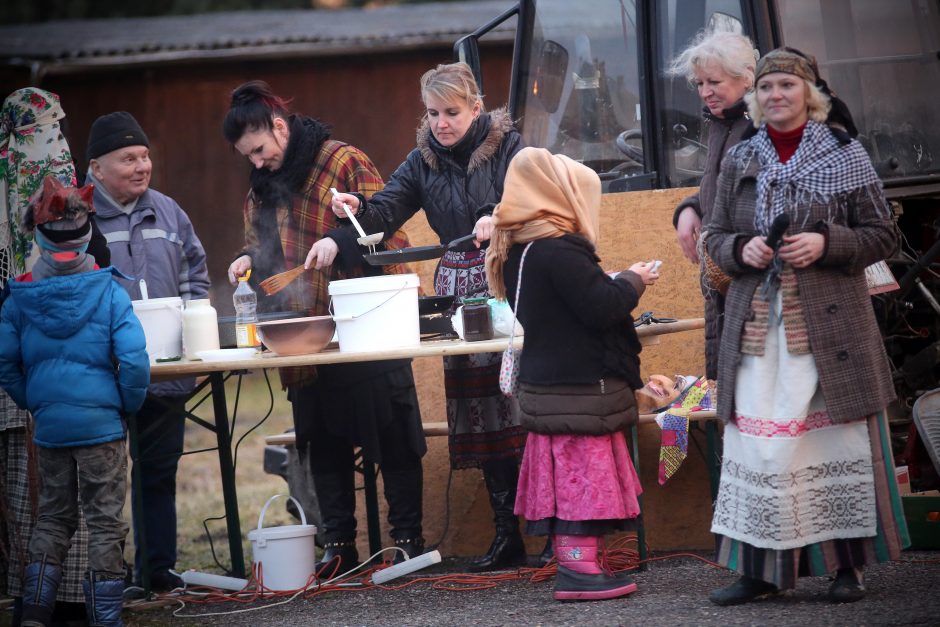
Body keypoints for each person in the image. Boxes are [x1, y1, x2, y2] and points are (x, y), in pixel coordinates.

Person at [704, 47, 910, 606]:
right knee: (758, 450)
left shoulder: (847, 155)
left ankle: (848, 568)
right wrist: (737, 249)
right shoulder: (740, 158)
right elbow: (713, 236)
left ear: (809, 94)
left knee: (832, 443)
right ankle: (759, 571)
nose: (776, 96)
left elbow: (882, 235)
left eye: (787, 87)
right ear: (756, 97)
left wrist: (827, 242)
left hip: (830, 330)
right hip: (756, 329)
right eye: (766, 87)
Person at [330, 62, 537, 570]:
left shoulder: (513, 147)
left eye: (451, 112)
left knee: (524, 403)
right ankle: (507, 530)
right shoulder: (421, 159)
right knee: (483, 412)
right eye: (433, 113)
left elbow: (540, 198)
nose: (441, 123)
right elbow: (384, 212)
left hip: (508, 280)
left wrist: (502, 215)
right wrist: (358, 207)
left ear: (474, 106)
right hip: (456, 291)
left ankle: (551, 527)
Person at [223, 81, 426, 570]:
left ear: (278, 127)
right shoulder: (261, 184)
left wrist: (342, 239)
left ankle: (407, 541)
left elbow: (387, 227)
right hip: (303, 331)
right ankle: (339, 546)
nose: (256, 162)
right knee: (322, 439)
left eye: (259, 150)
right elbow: (263, 244)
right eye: (246, 156)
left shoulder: (343, 161)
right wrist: (246, 258)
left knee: (394, 437)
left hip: (365, 321)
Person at [485, 146, 658, 600]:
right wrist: (633, 280)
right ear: (560, 196)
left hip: (550, 388)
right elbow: (602, 308)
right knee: (583, 483)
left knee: (568, 484)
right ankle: (580, 574)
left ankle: (578, 567)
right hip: (579, 389)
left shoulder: (523, 248)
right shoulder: (558, 250)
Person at [0, 176, 149, 626]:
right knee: (105, 522)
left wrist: (37, 404)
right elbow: (135, 361)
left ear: (40, 237)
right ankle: (106, 619)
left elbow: (7, 365)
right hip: (102, 425)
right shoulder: (108, 291)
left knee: (51, 520)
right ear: (88, 236)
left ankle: (33, 616)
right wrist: (125, 404)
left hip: (50, 428)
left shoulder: (18, 297)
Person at [85, 111, 211, 592]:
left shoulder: (169, 212)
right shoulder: (78, 216)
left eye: (144, 157)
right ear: (96, 168)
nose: (141, 166)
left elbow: (195, 278)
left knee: (158, 474)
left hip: (164, 373)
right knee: (101, 481)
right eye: (128, 159)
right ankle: (103, 578)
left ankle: (157, 572)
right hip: (103, 374)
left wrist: (195, 348)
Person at [0, 86, 111, 625]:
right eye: (45, 131)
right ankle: (87, 608)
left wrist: (28, 392)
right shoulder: (92, 272)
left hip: (36, 392)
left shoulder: (57, 199)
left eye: (58, 131)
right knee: (80, 508)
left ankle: (41, 607)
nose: (55, 145)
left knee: (49, 509)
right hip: (82, 408)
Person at [667, 29, 758, 380]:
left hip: (746, 282)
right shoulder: (722, 124)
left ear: (746, 79)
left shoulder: (757, 129)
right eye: (700, 83)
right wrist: (690, 207)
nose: (705, 92)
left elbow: (745, 201)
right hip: (724, 276)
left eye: (714, 82)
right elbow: (717, 186)